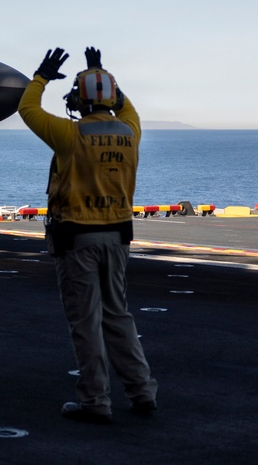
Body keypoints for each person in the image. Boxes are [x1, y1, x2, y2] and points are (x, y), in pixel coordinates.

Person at [18, 46, 158, 424]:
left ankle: (96, 400)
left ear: (79, 101)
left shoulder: (69, 135)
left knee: (86, 322)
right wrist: (99, 71)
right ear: (112, 98)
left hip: (77, 240)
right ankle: (142, 390)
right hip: (117, 239)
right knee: (118, 316)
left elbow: (27, 109)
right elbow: (123, 103)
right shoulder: (131, 130)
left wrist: (41, 76)